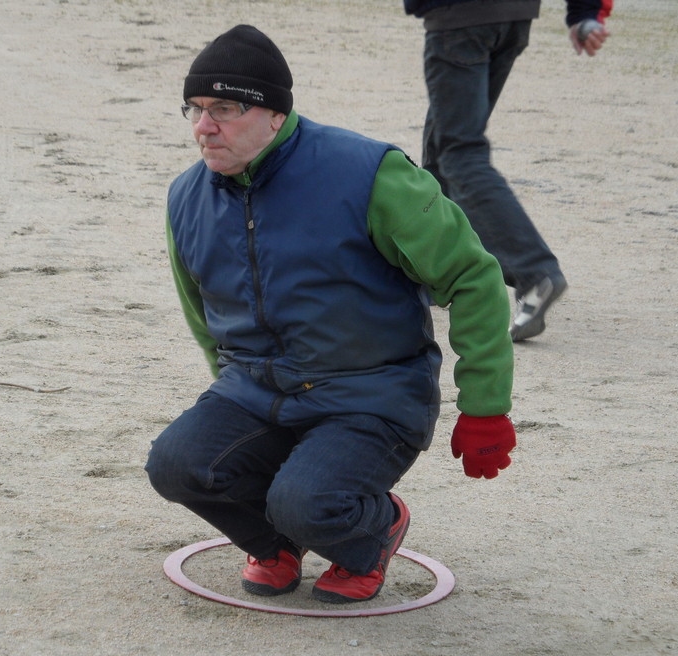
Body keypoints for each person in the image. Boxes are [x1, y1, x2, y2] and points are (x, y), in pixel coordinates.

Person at [145, 25, 516, 604]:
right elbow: (202, 313)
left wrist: (485, 408)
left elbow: (474, 277)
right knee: (176, 464)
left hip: (370, 393)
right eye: (192, 108)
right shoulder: (186, 196)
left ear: (274, 115)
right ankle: (276, 543)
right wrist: (232, 412)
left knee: (306, 501)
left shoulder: (369, 174)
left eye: (224, 108)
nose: (203, 126)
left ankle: (372, 530)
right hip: (255, 389)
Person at [404, 0, 612, 341]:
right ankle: (441, 270)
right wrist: (584, 13)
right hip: (513, 16)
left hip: (461, 19)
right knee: (445, 149)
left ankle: (535, 273)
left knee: (461, 153)